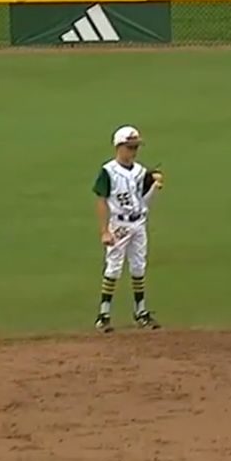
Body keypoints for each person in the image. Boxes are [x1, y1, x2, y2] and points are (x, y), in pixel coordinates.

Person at [92, 124, 164, 333]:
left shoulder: (140, 171)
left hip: (138, 222)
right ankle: (103, 315)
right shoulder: (108, 171)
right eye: (130, 147)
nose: (133, 152)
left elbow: (142, 201)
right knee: (113, 267)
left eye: (135, 148)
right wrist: (104, 231)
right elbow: (101, 199)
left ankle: (140, 312)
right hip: (119, 224)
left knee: (138, 266)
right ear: (119, 147)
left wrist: (153, 186)